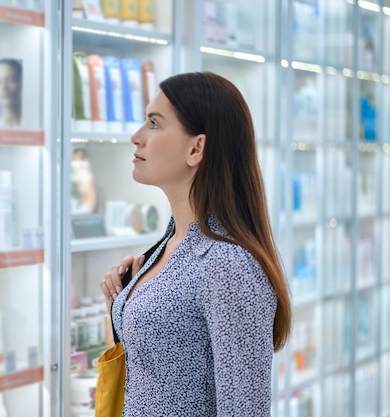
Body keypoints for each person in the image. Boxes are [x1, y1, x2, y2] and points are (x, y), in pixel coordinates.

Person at [99, 71, 291, 416]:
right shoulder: (169, 246)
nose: (136, 136)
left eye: (154, 124)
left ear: (196, 147)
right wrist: (126, 297)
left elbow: (244, 410)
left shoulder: (228, 264)